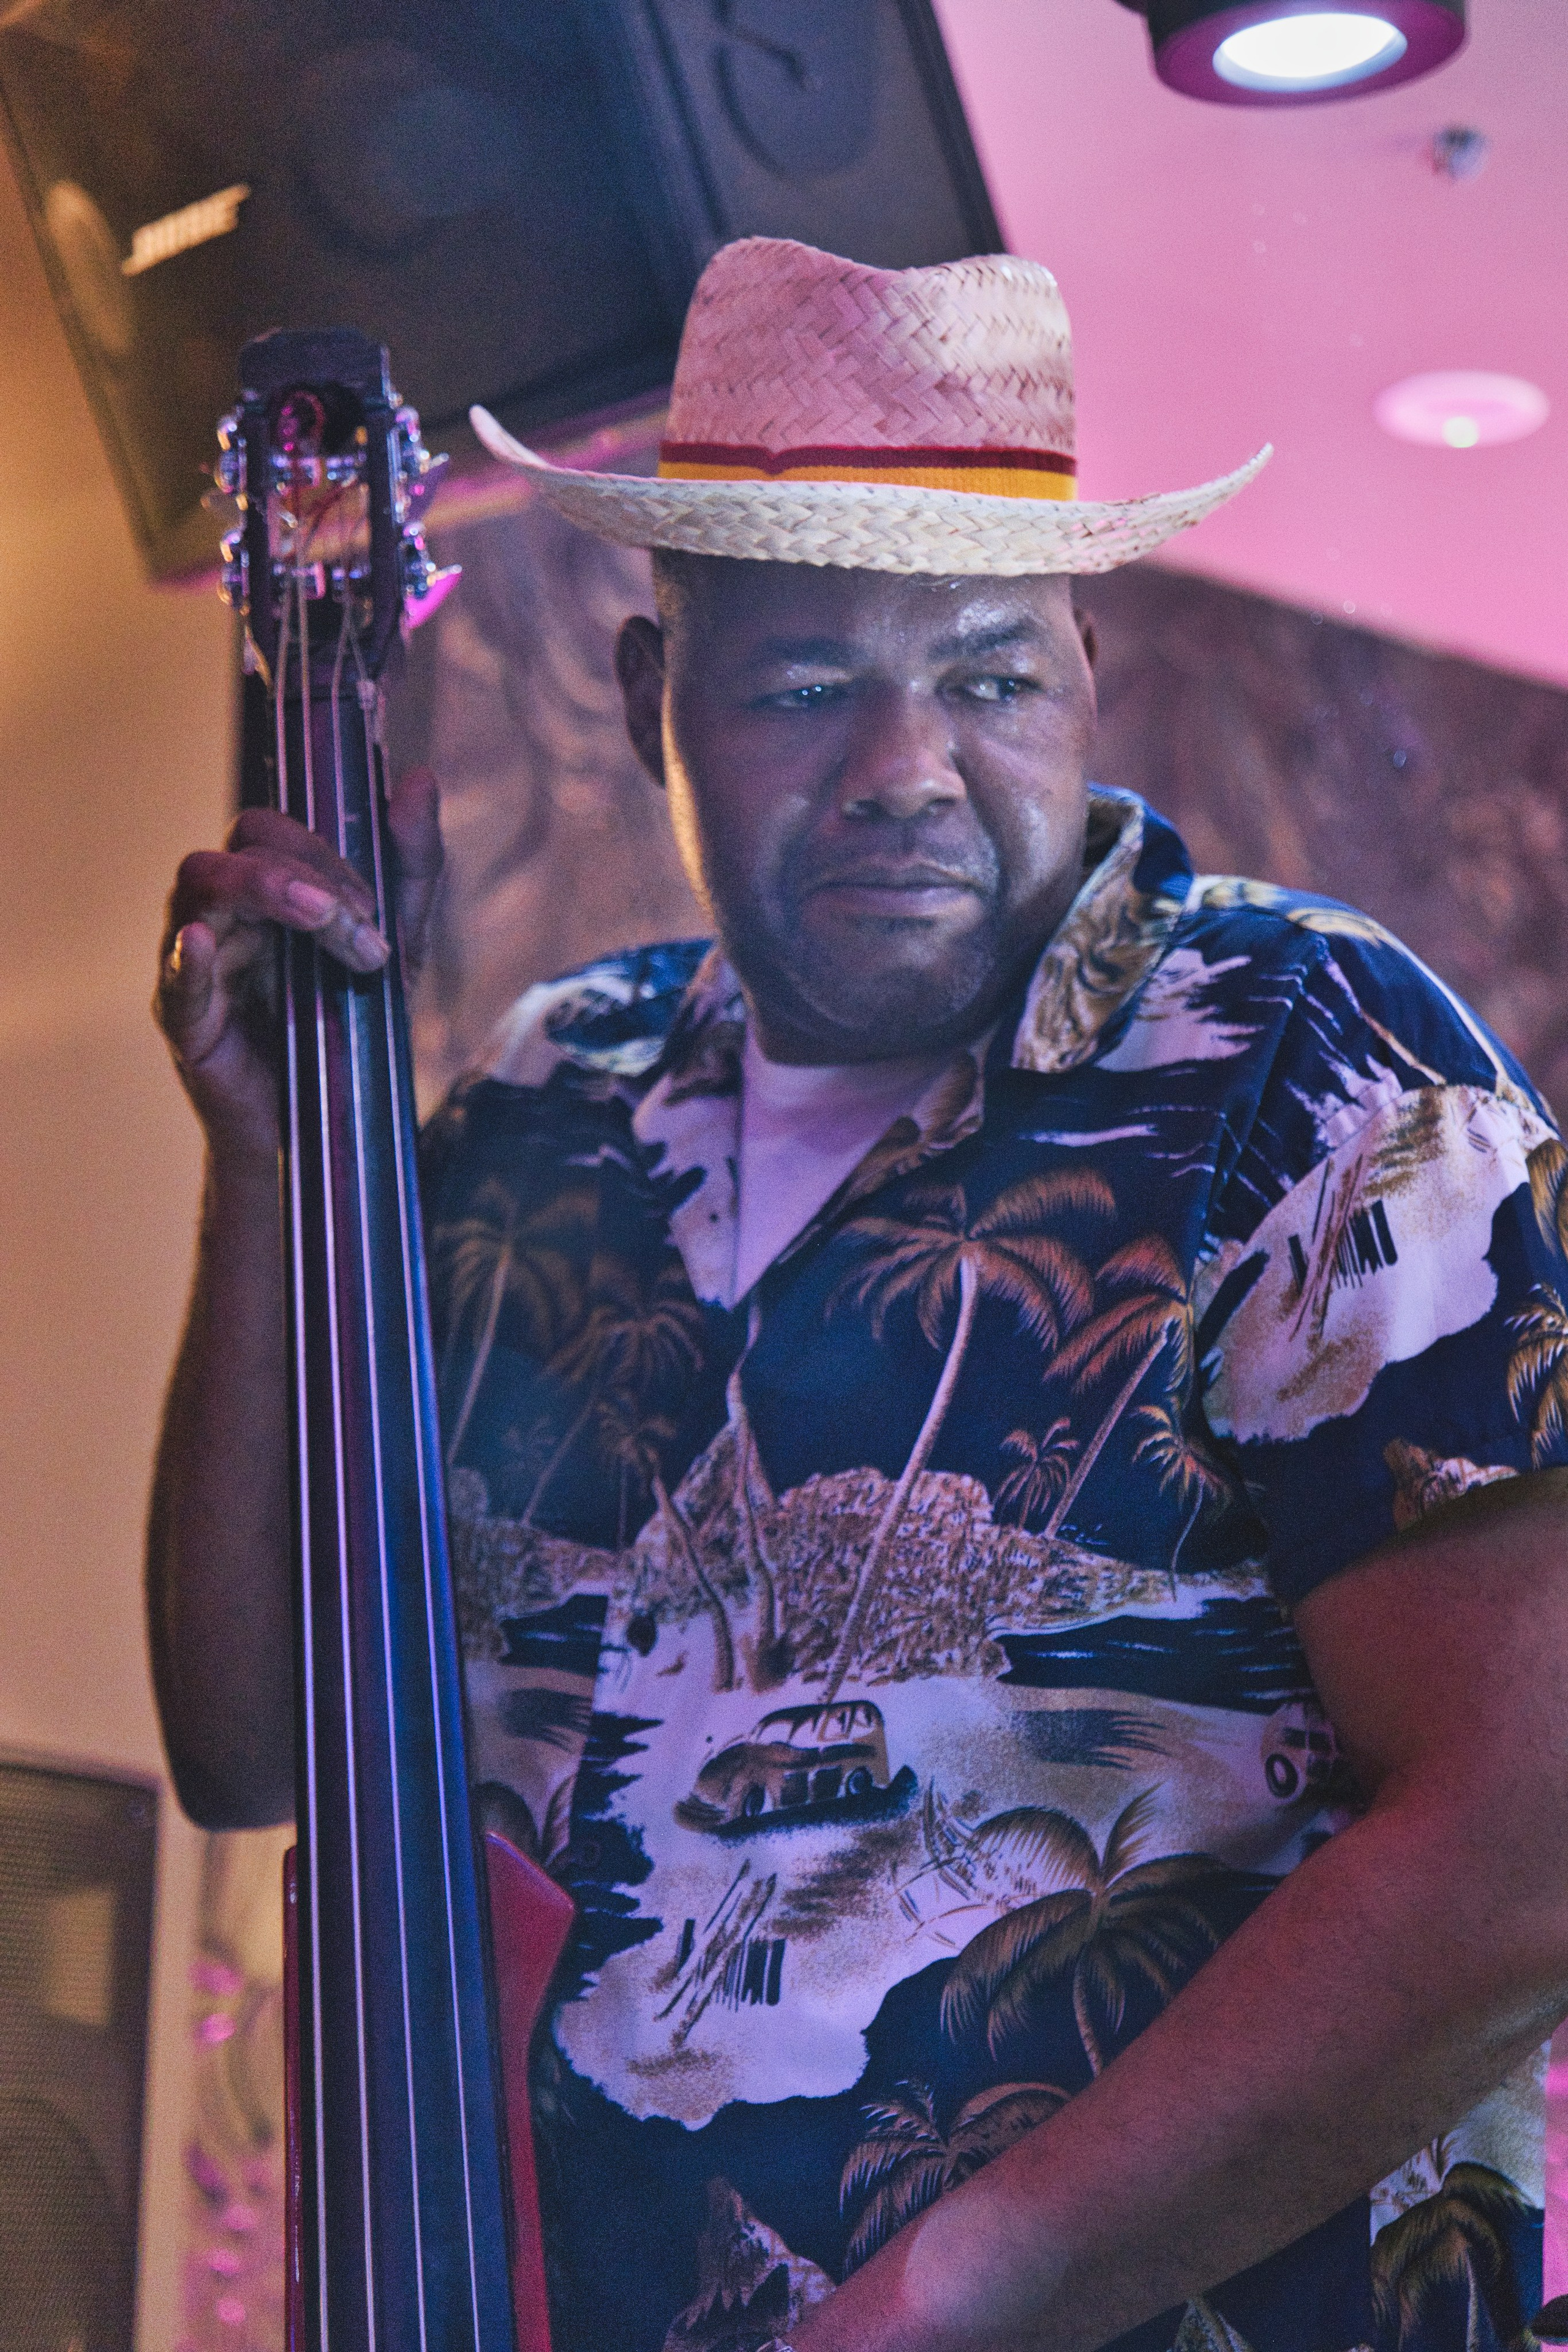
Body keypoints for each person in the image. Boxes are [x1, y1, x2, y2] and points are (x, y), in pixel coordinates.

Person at [148, 238, 1568, 2352]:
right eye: (809, 684)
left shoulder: (1314, 1059)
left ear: (1088, 671)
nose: (908, 765)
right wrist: (273, 1168)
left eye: (989, 675)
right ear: (654, 705)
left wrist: (960, 2290)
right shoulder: (550, 1096)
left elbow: (1528, 1837)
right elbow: (255, 1740)